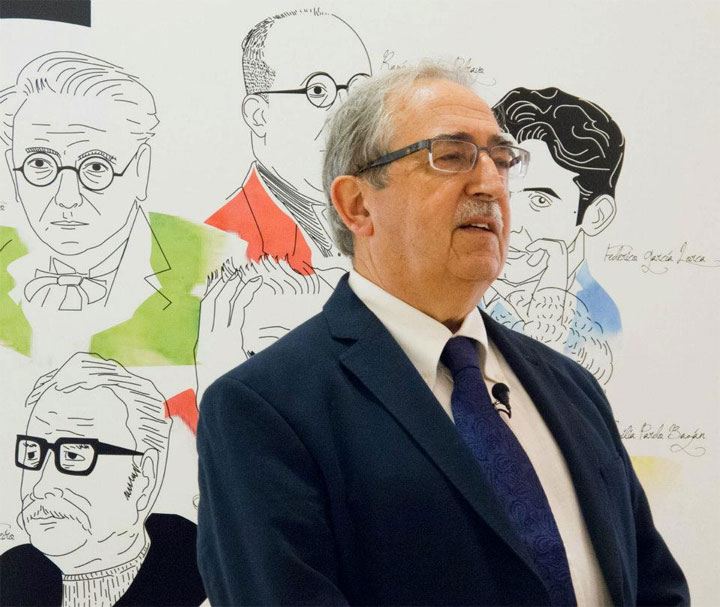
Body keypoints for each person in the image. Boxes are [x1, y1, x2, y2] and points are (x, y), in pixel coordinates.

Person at [197, 62, 689, 605]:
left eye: (501, 160)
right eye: (450, 156)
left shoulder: (571, 387)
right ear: (357, 204)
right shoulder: (264, 409)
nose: (490, 184)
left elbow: (655, 587)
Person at [0, 51, 218, 367]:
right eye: (40, 164)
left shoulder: (214, 263)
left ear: (141, 169)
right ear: (12, 169)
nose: (67, 198)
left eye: (95, 167)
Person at [0, 352, 205, 606]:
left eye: (74, 455)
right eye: (32, 453)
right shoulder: (12, 578)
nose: (41, 487)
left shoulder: (207, 583)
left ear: (143, 478)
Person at [204, 8, 371, 272]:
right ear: (259, 115)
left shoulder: (387, 220)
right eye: (318, 91)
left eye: (358, 90)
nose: (345, 112)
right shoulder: (218, 250)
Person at [486, 87, 625, 384]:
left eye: (540, 201)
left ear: (596, 215)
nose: (508, 222)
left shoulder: (599, 323)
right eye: (500, 193)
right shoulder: (449, 296)